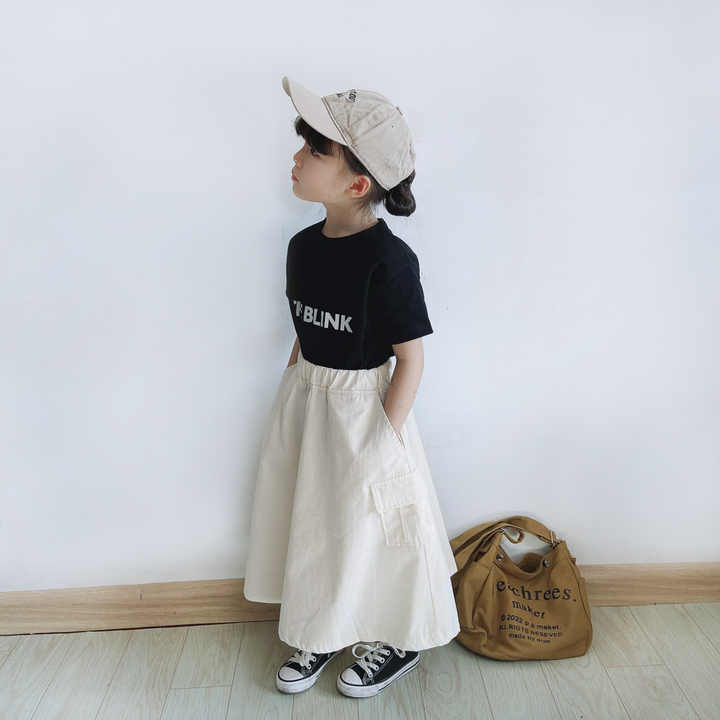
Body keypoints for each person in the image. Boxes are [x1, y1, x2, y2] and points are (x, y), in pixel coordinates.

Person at [243, 76, 460, 699]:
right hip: (309, 402)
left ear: (357, 185)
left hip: (367, 410)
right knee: (316, 521)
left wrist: (385, 438)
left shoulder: (389, 262)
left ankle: (397, 636)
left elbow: (411, 359)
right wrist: (293, 392)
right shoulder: (301, 248)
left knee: (373, 526)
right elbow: (303, 328)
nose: (296, 157)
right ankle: (320, 625)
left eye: (314, 150)